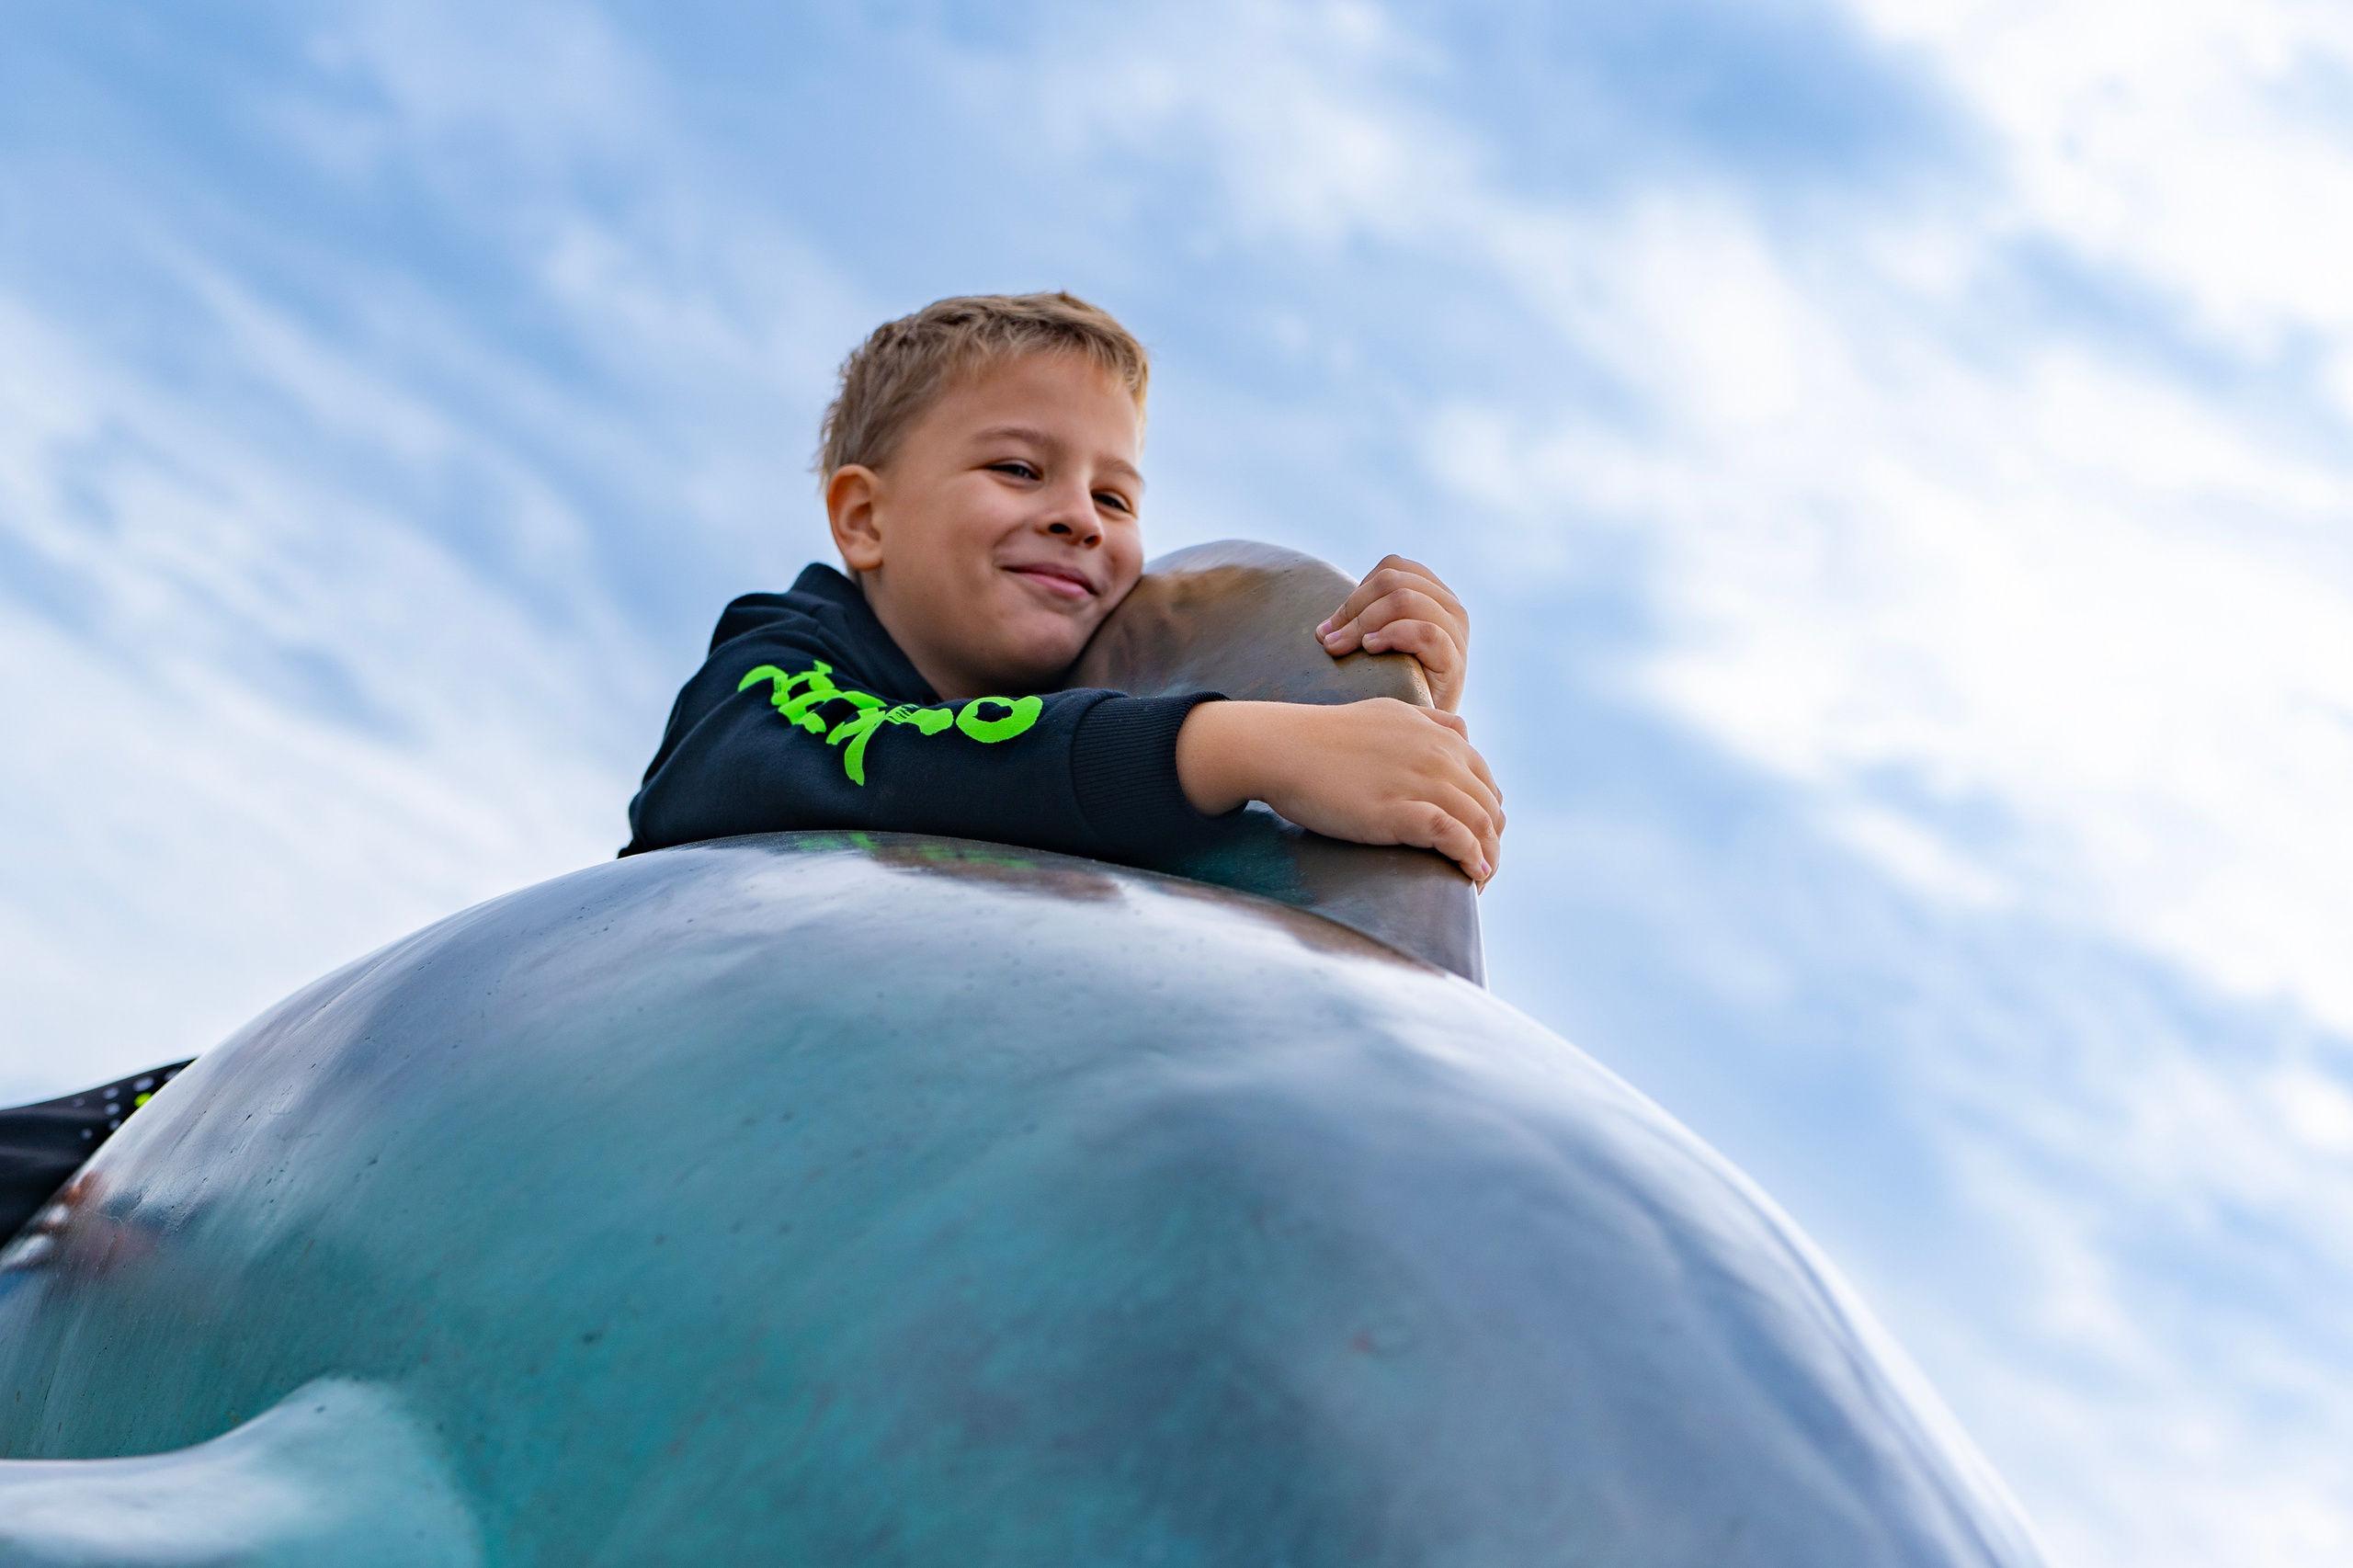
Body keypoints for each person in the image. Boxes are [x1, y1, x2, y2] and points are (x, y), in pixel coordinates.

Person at [623, 292, 1503, 885]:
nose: (1080, 517)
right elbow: (857, 768)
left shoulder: (1099, 710)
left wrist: (1378, 698)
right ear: (865, 519)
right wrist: (1234, 747)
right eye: (1018, 467)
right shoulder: (772, 665)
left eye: (1114, 497)